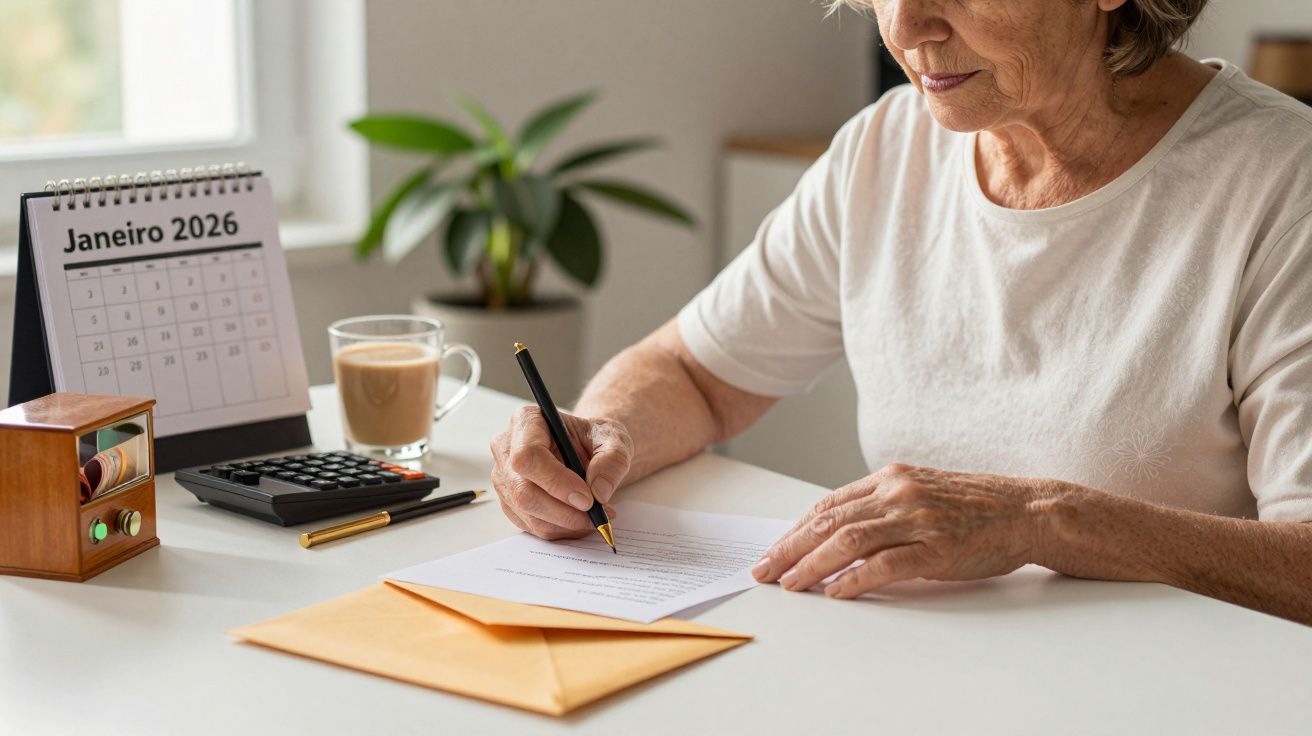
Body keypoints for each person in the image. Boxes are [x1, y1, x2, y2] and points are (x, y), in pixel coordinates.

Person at [490, 0, 1312, 624]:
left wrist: (1045, 522)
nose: (907, 26)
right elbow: (696, 373)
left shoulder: (1282, 184)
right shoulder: (887, 148)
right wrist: (596, 436)